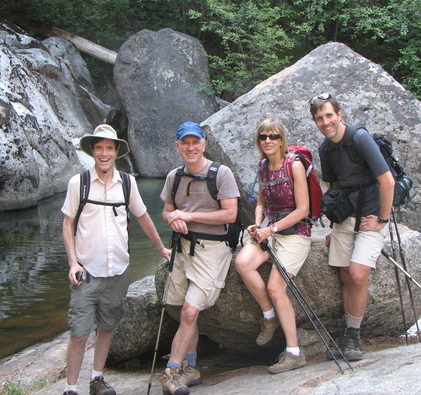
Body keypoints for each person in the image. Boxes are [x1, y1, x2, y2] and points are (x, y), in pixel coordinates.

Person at [61, 124, 171, 395]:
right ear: (92, 151)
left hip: (118, 270)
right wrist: (73, 263)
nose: (104, 153)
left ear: (116, 152)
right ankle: (71, 388)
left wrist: (161, 249)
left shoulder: (128, 183)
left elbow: (143, 217)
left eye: (109, 148)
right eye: (99, 148)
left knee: (107, 328)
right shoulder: (80, 183)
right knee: (78, 333)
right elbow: (67, 224)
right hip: (86, 270)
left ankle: (97, 379)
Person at [309, 93, 395, 361]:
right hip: (345, 217)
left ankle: (354, 335)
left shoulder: (359, 138)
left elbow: (387, 180)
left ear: (339, 114)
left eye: (329, 115)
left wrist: (382, 219)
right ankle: (348, 333)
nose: (325, 122)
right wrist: (333, 226)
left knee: (358, 275)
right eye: (319, 118)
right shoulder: (326, 148)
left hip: (370, 215)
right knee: (345, 275)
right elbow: (333, 187)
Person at [160, 122, 239, 395]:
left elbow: (230, 214)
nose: (191, 148)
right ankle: (191, 368)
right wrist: (173, 219)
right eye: (185, 143)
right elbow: (167, 212)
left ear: (204, 144)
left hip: (212, 250)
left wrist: (189, 216)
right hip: (182, 250)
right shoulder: (174, 177)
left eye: (196, 142)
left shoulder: (221, 174)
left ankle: (172, 371)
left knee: (191, 311)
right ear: (177, 146)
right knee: (183, 309)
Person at [235, 119, 312, 374]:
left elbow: (304, 209)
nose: (268, 141)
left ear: (282, 140)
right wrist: (257, 225)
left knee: (275, 287)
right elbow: (260, 204)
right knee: (243, 263)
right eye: (263, 137)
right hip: (269, 231)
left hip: (295, 233)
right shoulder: (262, 167)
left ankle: (294, 353)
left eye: (274, 136)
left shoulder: (294, 165)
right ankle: (269, 317)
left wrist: (272, 229)